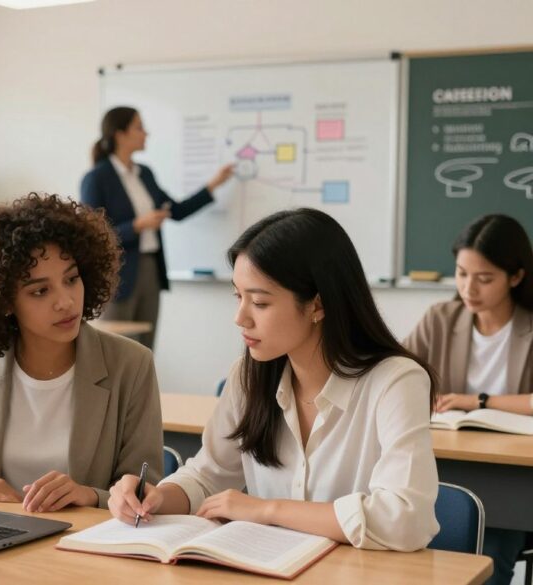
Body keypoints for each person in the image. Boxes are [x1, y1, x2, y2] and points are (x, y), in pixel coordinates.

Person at [108, 208, 440, 552]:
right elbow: (208, 477)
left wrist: (267, 510)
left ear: (317, 306)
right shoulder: (248, 375)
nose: (241, 318)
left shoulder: (396, 382)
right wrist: (158, 497)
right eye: (239, 297)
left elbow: (405, 519)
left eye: (260, 302)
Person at [0, 193, 163, 511]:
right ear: (5, 302)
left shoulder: (131, 364)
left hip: (83, 542)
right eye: (40, 290)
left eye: (72, 279)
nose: (65, 301)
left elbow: (146, 487)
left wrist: (90, 494)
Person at [404, 214, 533, 585]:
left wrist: (477, 401)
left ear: (516, 276)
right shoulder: (440, 319)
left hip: (512, 480)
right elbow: (397, 373)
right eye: (461, 273)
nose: (468, 288)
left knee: (489, 562)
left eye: (484, 278)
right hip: (445, 464)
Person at [80, 106, 234, 349]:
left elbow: (177, 210)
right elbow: (91, 236)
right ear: (120, 134)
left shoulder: (145, 174)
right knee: (113, 350)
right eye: (139, 127)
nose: (146, 134)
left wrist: (214, 184)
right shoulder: (98, 178)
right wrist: (136, 226)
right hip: (118, 273)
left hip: (150, 268)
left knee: (144, 348)